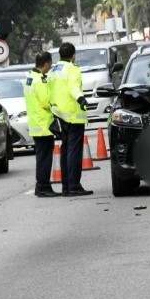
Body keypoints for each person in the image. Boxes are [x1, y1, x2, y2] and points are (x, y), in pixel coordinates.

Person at [48, 42, 92, 196]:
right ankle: (74, 185)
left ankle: (66, 186)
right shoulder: (72, 69)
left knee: (66, 150)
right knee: (74, 152)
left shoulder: (53, 70)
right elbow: (73, 86)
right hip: (73, 115)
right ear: (73, 56)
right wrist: (81, 98)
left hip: (59, 115)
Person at [26, 52, 58, 197]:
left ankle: (41, 186)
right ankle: (43, 187)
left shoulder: (30, 78)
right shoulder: (40, 81)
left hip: (35, 124)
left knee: (41, 158)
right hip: (44, 125)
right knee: (45, 159)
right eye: (50, 64)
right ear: (46, 63)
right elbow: (45, 102)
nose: (50, 67)